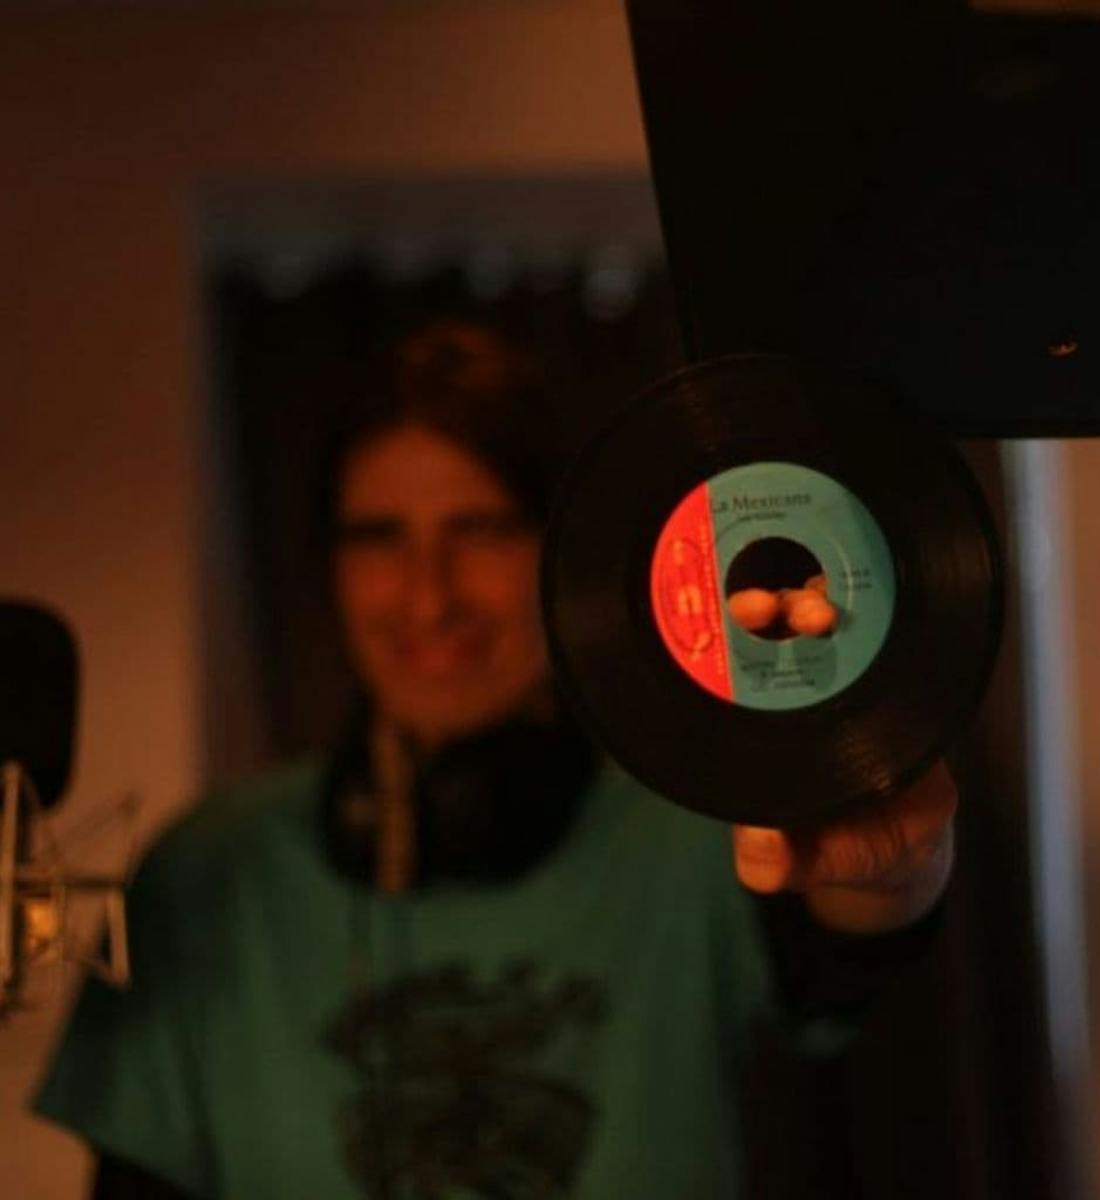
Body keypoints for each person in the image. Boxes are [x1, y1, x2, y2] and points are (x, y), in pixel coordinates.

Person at [34, 321, 956, 1200]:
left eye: (481, 530)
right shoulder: (204, 873)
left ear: (563, 552)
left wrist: (892, 847)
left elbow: (855, 928)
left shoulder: (698, 829)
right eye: (379, 537)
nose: (429, 599)